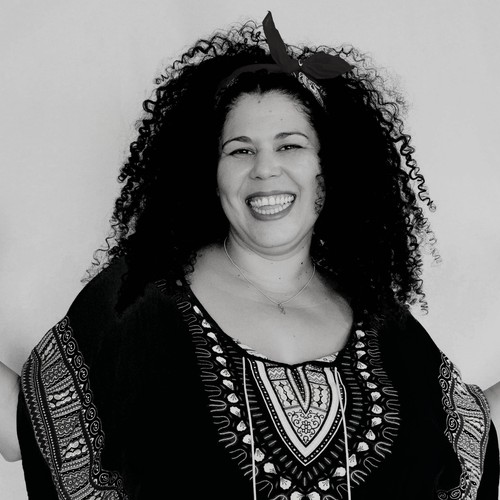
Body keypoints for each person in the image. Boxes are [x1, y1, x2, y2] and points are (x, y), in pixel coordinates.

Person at [0, 11, 499, 500]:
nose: (265, 169)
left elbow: (466, 434)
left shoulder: (386, 324)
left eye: (290, 146)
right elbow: (39, 421)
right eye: (240, 150)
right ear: (209, 172)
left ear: (331, 168)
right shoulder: (134, 302)